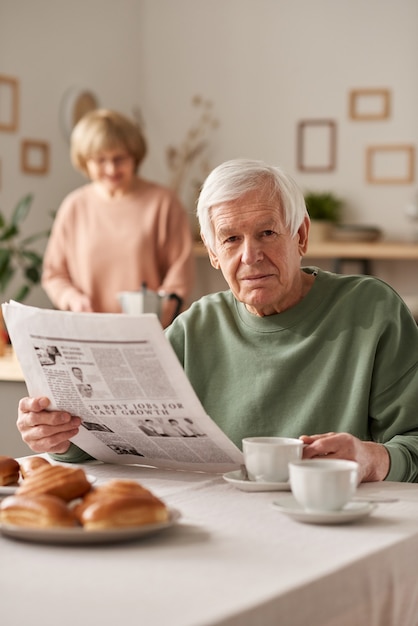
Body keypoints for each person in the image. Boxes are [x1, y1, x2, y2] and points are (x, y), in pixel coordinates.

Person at [17, 159, 418, 483]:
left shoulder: (370, 309)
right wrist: (57, 433)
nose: (250, 256)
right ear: (212, 253)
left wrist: (371, 458)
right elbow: (108, 438)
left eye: (266, 232)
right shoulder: (197, 327)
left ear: (300, 235)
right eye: (230, 239)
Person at [41, 108, 195, 328]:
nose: (111, 168)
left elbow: (179, 275)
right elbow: (54, 274)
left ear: (134, 157)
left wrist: (153, 316)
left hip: (149, 333)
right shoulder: (73, 206)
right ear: (85, 162)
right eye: (100, 160)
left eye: (119, 158)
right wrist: (73, 299)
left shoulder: (163, 203)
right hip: (88, 331)